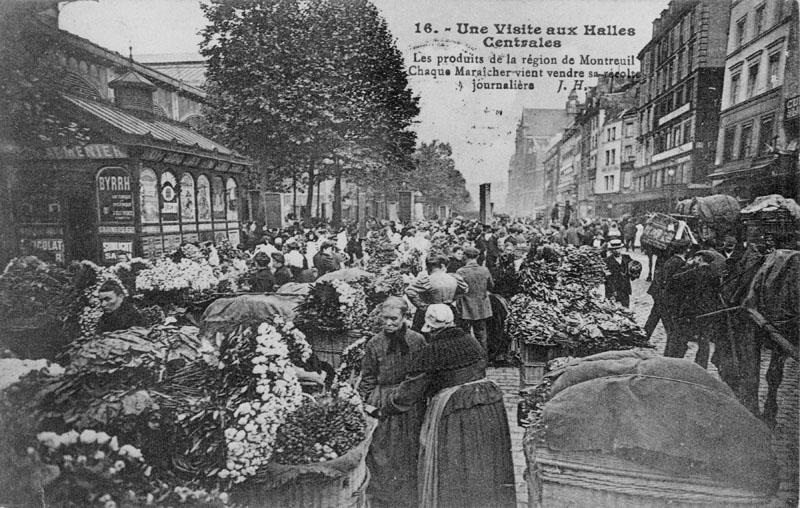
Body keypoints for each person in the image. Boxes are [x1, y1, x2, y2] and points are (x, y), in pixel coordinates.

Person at [384, 305, 516, 508]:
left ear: (431, 328)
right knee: (483, 460)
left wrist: (386, 406)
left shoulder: (432, 351)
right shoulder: (471, 342)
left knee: (456, 460)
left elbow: (409, 392)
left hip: (456, 410)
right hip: (488, 404)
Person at [359, 297, 427, 508]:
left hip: (408, 403)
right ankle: (382, 498)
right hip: (381, 403)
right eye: (385, 319)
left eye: (394, 319)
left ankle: (407, 498)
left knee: (407, 450)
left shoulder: (417, 341)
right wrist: (362, 403)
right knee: (381, 451)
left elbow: (421, 374)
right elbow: (368, 376)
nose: (389, 323)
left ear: (405, 318)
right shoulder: (374, 343)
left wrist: (406, 396)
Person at [405, 255, 468, 332]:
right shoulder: (454, 278)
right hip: (449, 309)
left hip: (430, 311)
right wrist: (453, 298)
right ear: (442, 266)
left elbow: (409, 291)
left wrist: (422, 306)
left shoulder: (427, 279)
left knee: (424, 334)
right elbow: (464, 289)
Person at [456, 247, 494, 352]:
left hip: (465, 307)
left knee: (465, 335)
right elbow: (491, 286)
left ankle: (468, 358)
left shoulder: (461, 272)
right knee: (481, 335)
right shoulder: (484, 270)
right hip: (482, 306)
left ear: (465, 256)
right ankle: (483, 359)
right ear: (477, 257)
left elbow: (458, 290)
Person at [604, 238, 633, 307]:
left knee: (626, 308)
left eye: (618, 248)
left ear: (621, 248)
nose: (616, 250)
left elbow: (633, 270)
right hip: (613, 290)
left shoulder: (627, 258)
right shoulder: (607, 261)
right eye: (614, 249)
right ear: (611, 250)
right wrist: (613, 291)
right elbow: (606, 278)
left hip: (625, 289)